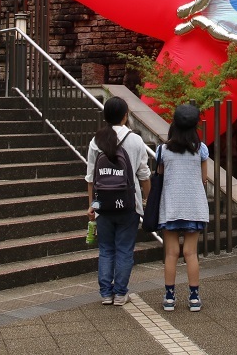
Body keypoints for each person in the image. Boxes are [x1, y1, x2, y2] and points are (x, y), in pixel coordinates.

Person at [85, 96, 150, 306]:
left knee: (105, 249)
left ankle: (106, 293)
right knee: (124, 249)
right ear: (125, 116)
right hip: (129, 204)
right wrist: (147, 200)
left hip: (103, 205)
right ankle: (121, 294)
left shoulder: (96, 140)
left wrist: (92, 205)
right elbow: (144, 175)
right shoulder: (135, 140)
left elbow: (91, 178)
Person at [156, 104, 210, 312]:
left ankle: (170, 297)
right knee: (190, 253)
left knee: (171, 253)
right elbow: (203, 179)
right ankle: (194, 297)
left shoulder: (163, 150)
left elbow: (160, 176)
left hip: (170, 206)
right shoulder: (200, 149)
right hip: (194, 206)